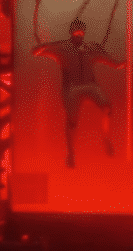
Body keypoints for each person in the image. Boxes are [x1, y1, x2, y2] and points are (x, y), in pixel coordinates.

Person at [33, 19, 125, 168]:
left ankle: (106, 138)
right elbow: (37, 51)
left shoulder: (91, 49)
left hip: (91, 86)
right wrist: (47, 46)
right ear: (71, 33)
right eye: (76, 32)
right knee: (72, 122)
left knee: (107, 108)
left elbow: (113, 63)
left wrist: (122, 64)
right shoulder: (61, 49)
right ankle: (71, 153)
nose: (79, 34)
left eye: (81, 32)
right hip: (72, 88)